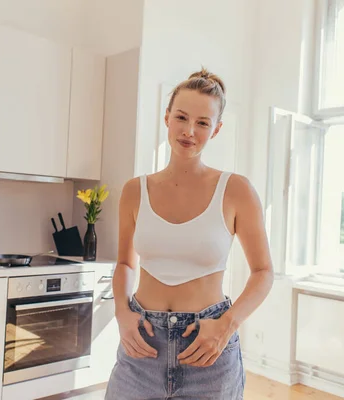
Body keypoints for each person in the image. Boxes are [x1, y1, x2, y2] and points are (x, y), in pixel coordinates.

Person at [104, 68, 274, 399]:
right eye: (181, 117)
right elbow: (126, 263)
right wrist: (122, 312)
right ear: (167, 118)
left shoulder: (235, 190)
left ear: (216, 129)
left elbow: (264, 272)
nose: (189, 131)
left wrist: (227, 325)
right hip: (142, 344)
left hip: (207, 347)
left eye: (202, 123)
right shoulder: (134, 191)